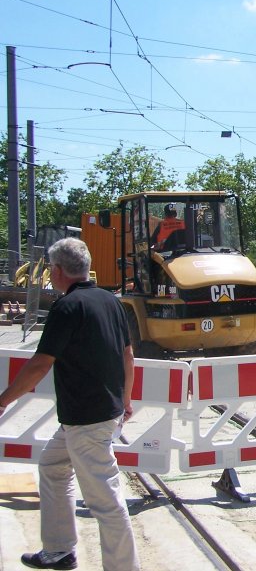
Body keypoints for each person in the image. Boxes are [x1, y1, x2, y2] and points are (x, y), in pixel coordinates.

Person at [0, 238, 140, 571]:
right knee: (52, 466)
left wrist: (4, 400)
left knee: (105, 502)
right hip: (95, 413)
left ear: (59, 270)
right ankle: (60, 549)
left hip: (86, 419)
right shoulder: (110, 301)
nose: (50, 273)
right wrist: (127, 398)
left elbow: (39, 364)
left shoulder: (67, 307)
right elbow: (127, 355)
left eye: (50, 268)